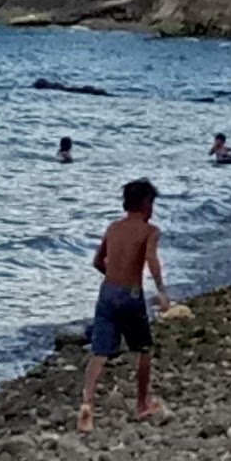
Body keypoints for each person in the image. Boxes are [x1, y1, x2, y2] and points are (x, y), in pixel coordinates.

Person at [80, 179, 171, 433]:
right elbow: (151, 259)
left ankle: (87, 403)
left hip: (107, 291)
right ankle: (142, 403)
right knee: (144, 347)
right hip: (131, 293)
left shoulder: (113, 227)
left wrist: (113, 275)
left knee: (100, 351)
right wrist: (162, 290)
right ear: (146, 204)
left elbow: (98, 261)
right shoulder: (149, 230)